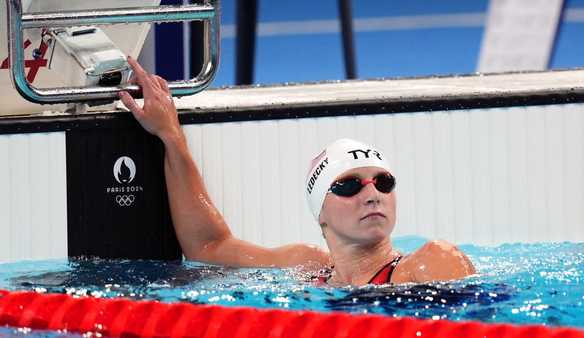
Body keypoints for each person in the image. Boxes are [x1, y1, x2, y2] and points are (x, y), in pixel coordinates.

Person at [119, 57, 476, 286]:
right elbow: (207, 246)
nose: (372, 194)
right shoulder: (307, 266)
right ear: (320, 213)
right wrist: (171, 135)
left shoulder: (431, 264)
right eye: (349, 186)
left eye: (383, 183)